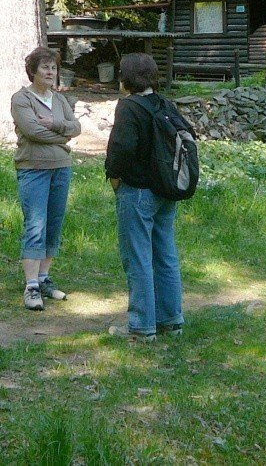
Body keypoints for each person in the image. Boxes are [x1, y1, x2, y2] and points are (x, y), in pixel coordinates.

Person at [104, 52, 184, 342]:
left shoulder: (128, 107)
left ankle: (141, 328)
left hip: (137, 191)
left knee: (138, 258)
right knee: (165, 256)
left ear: (126, 78)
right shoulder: (165, 104)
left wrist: (114, 179)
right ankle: (171, 321)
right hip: (167, 190)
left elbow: (121, 150)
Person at [10, 47, 81, 310]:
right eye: (45, 68)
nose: (51, 72)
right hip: (33, 168)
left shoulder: (59, 100)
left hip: (61, 167)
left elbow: (76, 127)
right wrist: (63, 137)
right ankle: (30, 287)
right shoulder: (22, 99)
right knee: (35, 225)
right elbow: (32, 131)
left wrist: (54, 124)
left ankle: (43, 279)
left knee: (53, 224)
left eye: (53, 68)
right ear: (33, 71)